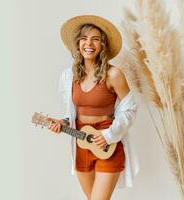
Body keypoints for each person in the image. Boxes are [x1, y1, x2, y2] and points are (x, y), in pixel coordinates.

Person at [47, 15, 139, 200]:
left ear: (102, 45)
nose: (89, 43)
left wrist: (108, 135)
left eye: (95, 39)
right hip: (81, 142)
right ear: (78, 44)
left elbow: (130, 109)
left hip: (107, 144)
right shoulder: (68, 76)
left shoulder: (113, 74)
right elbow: (71, 111)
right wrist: (63, 122)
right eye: (84, 38)